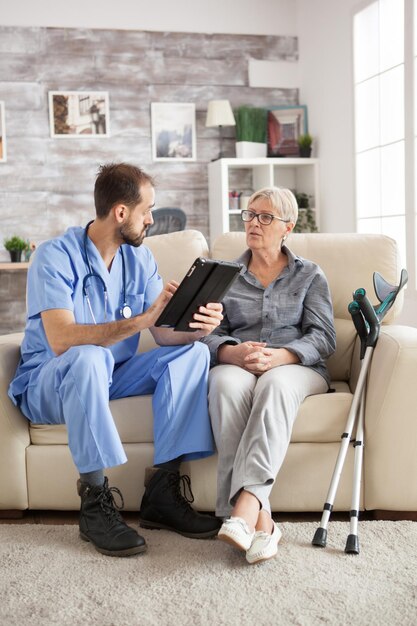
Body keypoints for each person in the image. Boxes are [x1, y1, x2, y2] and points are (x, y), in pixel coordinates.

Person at [8, 162, 224, 557]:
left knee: (190, 354)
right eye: (147, 211)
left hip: (113, 373)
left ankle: (163, 491)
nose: (152, 220)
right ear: (121, 213)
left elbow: (162, 333)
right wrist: (142, 320)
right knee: (87, 357)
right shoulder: (54, 256)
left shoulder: (139, 260)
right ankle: (94, 501)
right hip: (48, 381)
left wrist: (200, 328)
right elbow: (60, 340)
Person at [200, 187, 336, 565]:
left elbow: (325, 336)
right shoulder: (224, 275)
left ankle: (241, 508)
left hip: (297, 367)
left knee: (275, 385)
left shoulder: (309, 274)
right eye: (250, 214)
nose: (253, 223)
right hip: (241, 363)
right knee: (224, 384)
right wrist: (232, 353)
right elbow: (209, 334)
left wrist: (284, 356)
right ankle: (263, 522)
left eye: (265, 217)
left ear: (287, 228)